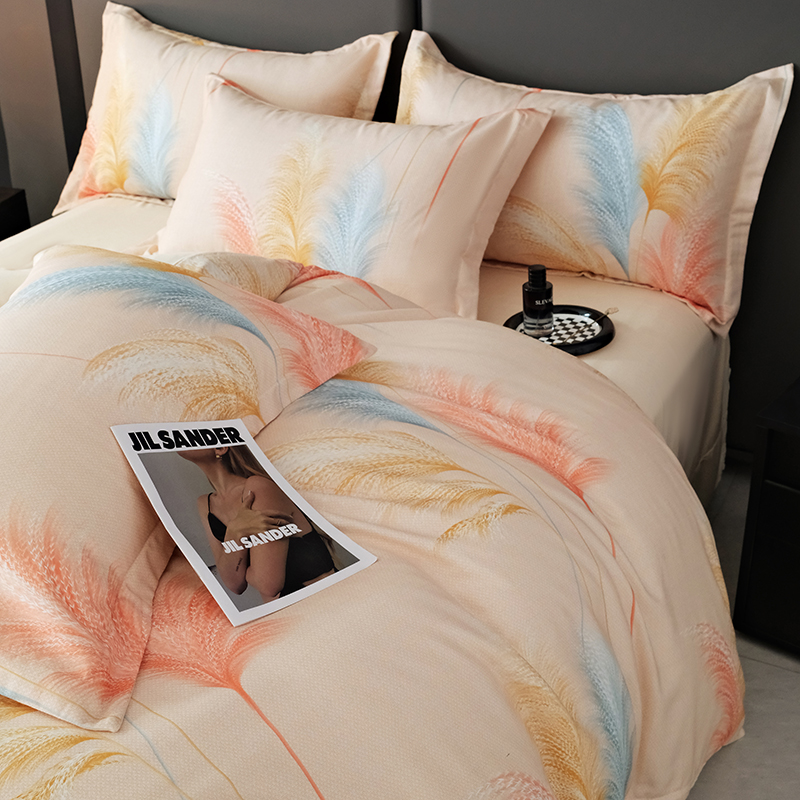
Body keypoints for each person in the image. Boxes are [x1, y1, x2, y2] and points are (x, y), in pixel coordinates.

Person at [179, 445, 335, 602]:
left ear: (221, 448)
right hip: (285, 610)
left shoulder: (258, 488)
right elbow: (234, 585)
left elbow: (267, 584)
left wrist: (235, 560)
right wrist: (235, 531)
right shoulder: (205, 504)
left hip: (326, 601)